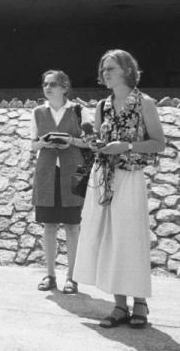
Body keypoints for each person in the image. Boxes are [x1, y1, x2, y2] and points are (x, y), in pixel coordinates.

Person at [73, 49, 165, 329]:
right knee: (109, 239)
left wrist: (125, 146)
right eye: (103, 70)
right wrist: (95, 144)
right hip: (103, 178)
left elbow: (159, 143)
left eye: (110, 68)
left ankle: (140, 303)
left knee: (131, 239)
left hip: (130, 177)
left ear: (127, 70)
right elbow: (101, 140)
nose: (105, 73)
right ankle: (119, 305)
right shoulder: (102, 106)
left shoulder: (144, 103)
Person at [30, 70, 90, 294]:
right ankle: (50, 275)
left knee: (73, 226)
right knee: (49, 226)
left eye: (53, 84)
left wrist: (70, 141)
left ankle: (72, 278)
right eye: (45, 83)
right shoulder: (37, 112)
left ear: (65, 87)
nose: (47, 87)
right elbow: (32, 145)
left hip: (73, 173)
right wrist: (43, 142)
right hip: (46, 173)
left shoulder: (79, 110)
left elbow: (90, 142)